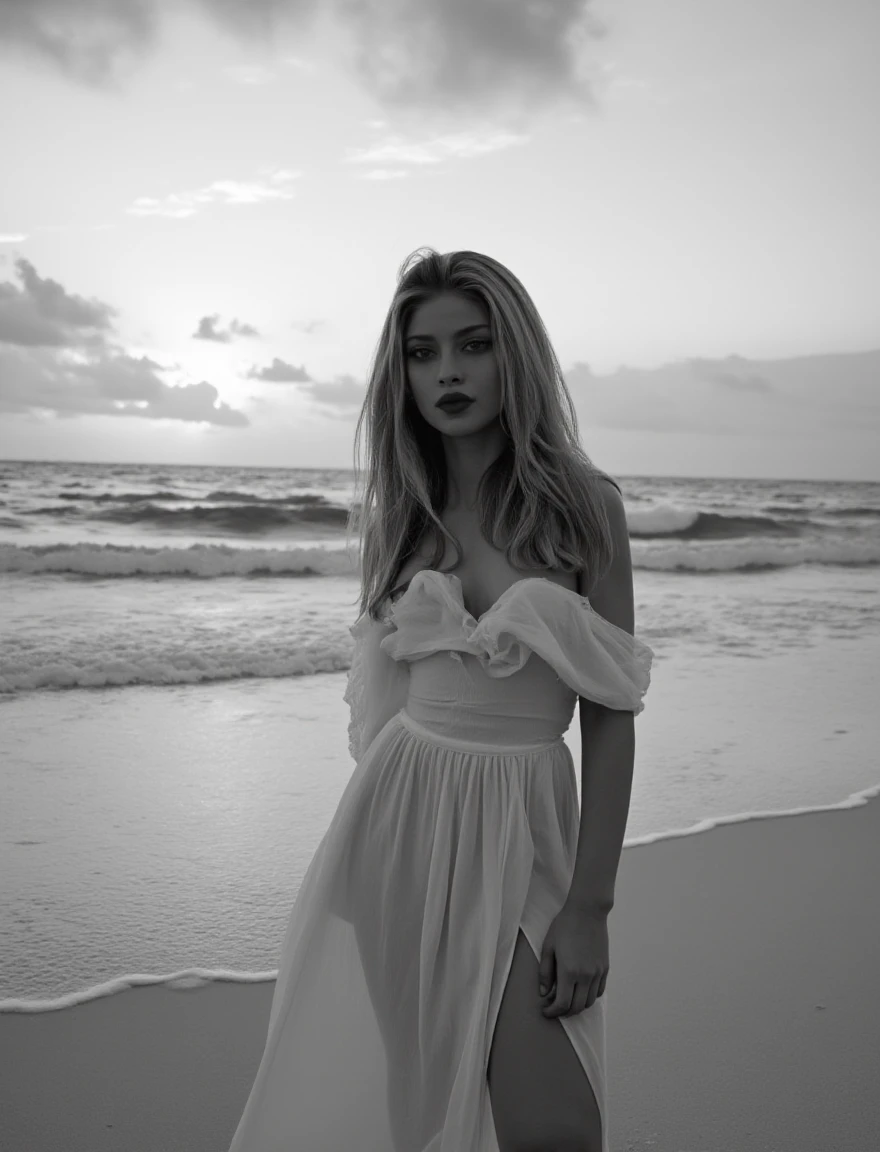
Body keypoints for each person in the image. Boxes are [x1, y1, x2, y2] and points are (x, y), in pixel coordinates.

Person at [227, 248, 653, 1152]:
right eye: (423, 353)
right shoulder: (403, 515)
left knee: (558, 1131)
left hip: (529, 830)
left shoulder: (583, 508)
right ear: (401, 373)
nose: (448, 372)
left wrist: (591, 906)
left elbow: (610, 719)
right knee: (422, 1112)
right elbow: (383, 697)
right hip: (400, 830)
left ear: (517, 356)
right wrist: (372, 857)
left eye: (473, 344)